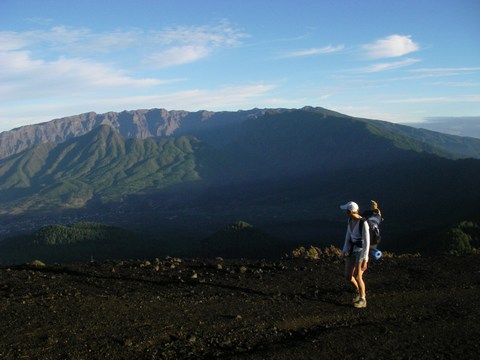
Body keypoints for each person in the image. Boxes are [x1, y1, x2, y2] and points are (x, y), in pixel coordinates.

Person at [339, 201, 370, 308]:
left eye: (346, 211)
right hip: (352, 250)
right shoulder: (350, 220)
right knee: (348, 275)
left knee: (358, 276)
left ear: (350, 211)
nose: (345, 213)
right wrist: (344, 251)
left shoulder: (363, 223)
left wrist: (365, 259)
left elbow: (367, 242)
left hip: (360, 252)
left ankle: (363, 299)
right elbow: (348, 237)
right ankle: (357, 290)